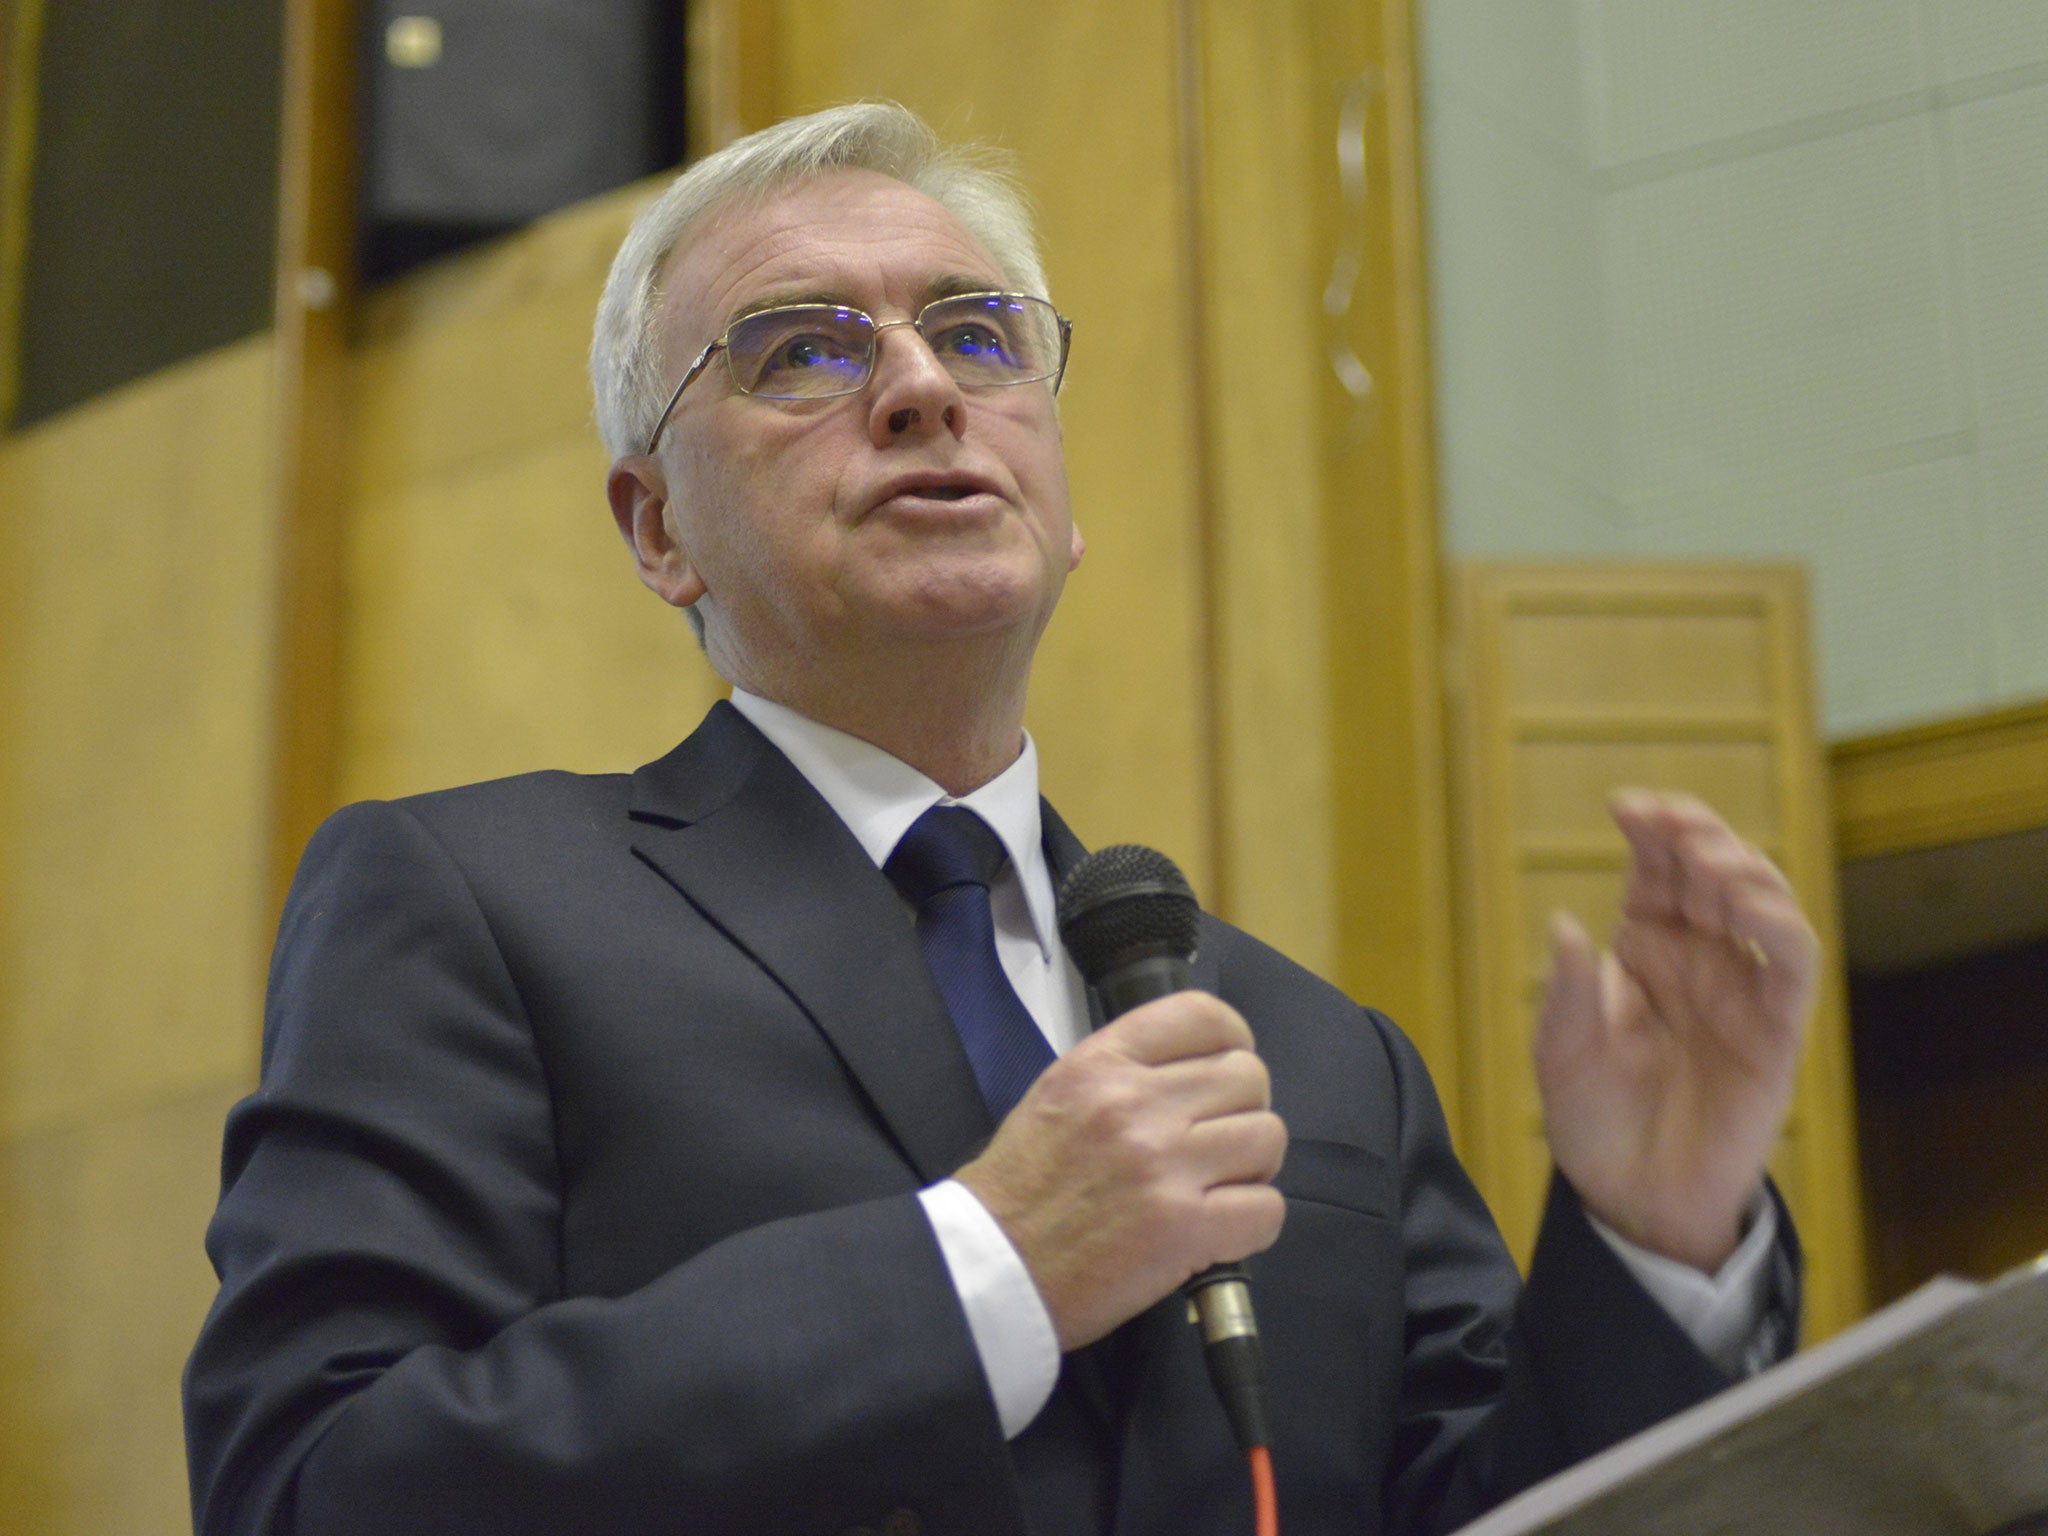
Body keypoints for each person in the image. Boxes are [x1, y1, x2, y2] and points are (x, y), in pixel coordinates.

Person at [184, 103, 1813, 1536]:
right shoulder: (477, 903)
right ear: (658, 524)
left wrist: (1660, 1248)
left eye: (978, 334)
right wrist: (983, 1272)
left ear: (1059, 477)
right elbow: (314, 1485)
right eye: (801, 351)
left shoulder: (1318, 1056)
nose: (916, 387)